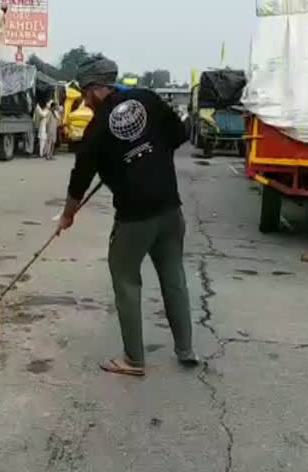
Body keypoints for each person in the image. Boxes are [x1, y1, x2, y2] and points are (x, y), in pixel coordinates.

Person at [57, 57, 199, 377]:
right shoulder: (148, 99)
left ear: (94, 90)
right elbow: (178, 133)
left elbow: (80, 178)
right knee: (173, 274)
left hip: (135, 218)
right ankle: (186, 349)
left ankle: (134, 360)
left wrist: (67, 216)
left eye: (84, 93)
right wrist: (148, 152)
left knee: (125, 278)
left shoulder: (96, 128)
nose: (85, 100)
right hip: (169, 208)